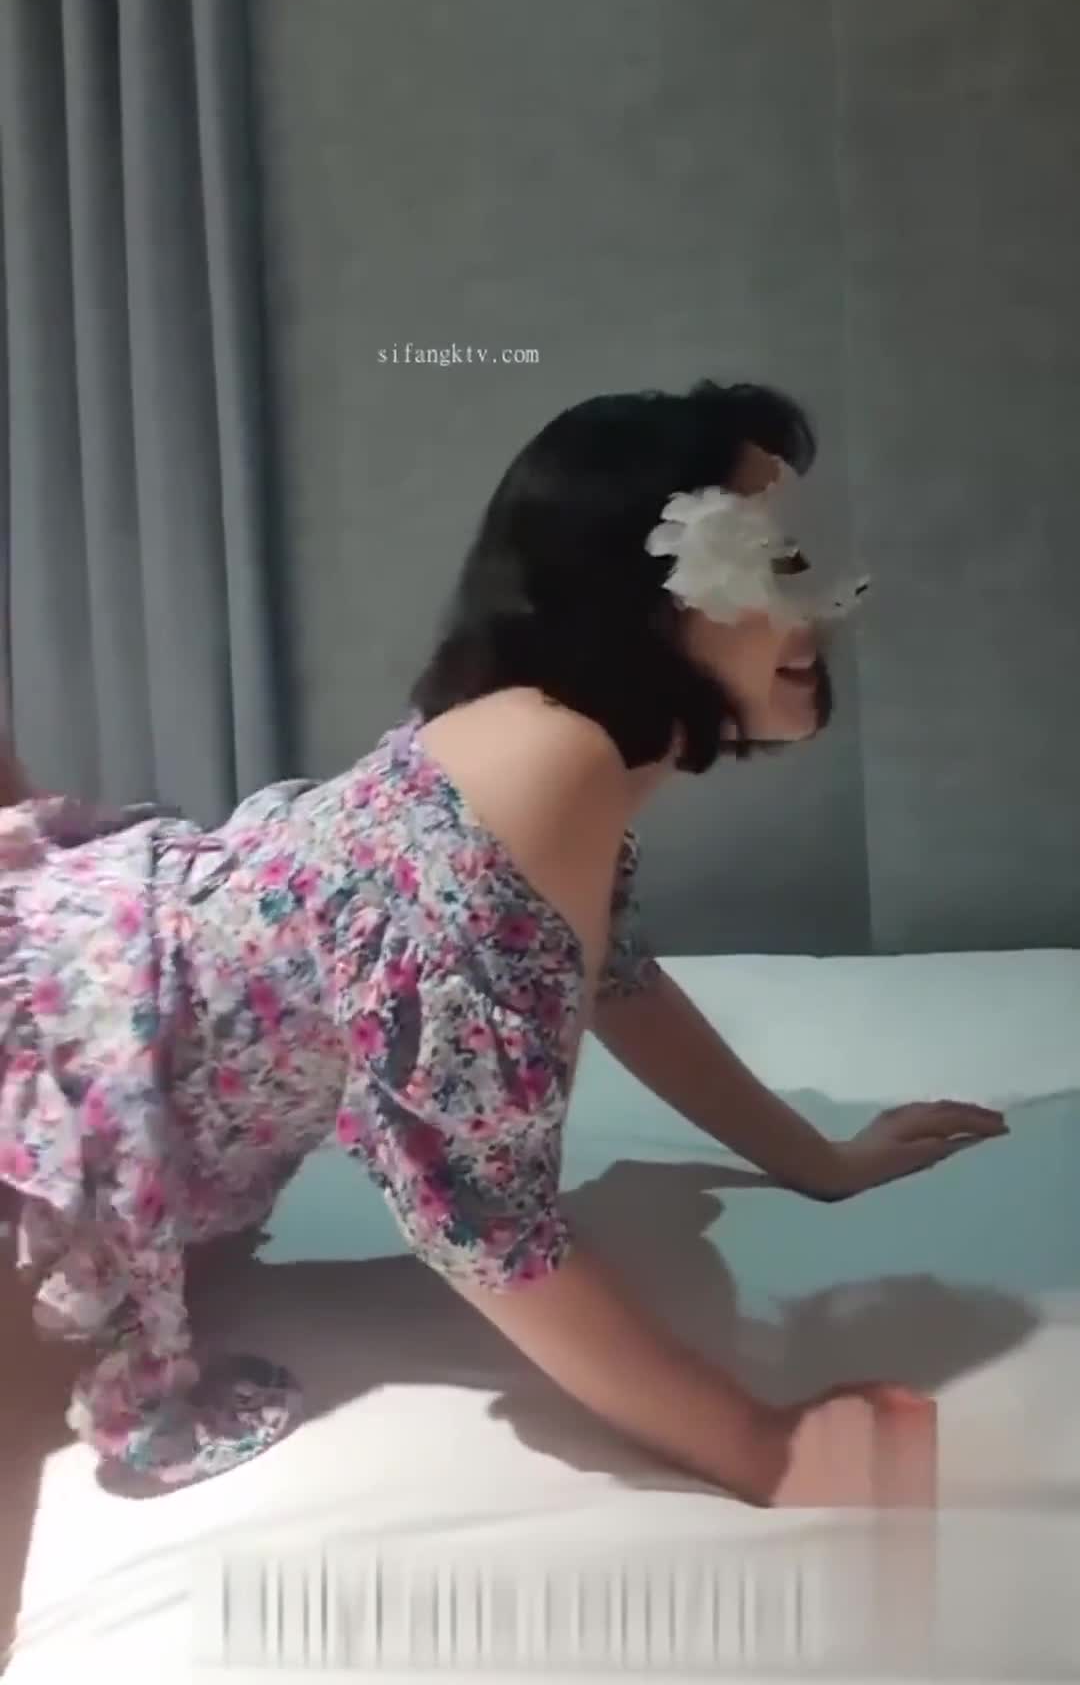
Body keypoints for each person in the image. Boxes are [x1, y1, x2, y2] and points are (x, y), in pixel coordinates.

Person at [0, 379, 1006, 1495]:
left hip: (113, 979)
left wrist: (819, 1160)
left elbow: (610, 977)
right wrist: (763, 1448)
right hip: (60, 1018)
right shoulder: (545, 760)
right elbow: (476, 1222)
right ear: (638, 588)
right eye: (776, 561)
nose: (824, 604)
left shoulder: (555, 745)